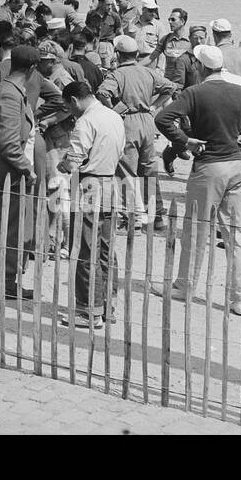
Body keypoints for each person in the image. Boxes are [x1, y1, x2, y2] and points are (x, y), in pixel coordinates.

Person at [154, 45, 241, 314]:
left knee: (196, 230)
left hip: (209, 167)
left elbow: (163, 118)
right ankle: (238, 298)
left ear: (201, 67)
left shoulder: (195, 92)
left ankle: (184, 286)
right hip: (237, 165)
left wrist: (184, 140)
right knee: (236, 235)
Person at [57, 80, 125, 328]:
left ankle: (88, 311)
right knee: (107, 249)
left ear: (74, 101)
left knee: (86, 247)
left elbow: (75, 160)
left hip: (89, 185)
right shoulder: (114, 116)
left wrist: (64, 164)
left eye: (69, 106)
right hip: (110, 182)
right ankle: (108, 306)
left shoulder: (85, 121)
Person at [0, 45, 38, 301]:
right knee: (9, 230)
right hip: (8, 174)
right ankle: (5, 282)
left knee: (0, 227)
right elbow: (10, 143)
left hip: (0, 171)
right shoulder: (10, 94)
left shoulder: (3, 88)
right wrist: (28, 169)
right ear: (32, 68)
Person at [97, 35, 177, 232]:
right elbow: (170, 87)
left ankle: (130, 217)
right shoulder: (147, 72)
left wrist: (114, 110)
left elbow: (102, 93)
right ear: (135, 54)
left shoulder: (117, 74)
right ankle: (156, 215)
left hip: (128, 121)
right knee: (149, 169)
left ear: (118, 54)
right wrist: (154, 106)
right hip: (147, 121)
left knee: (126, 171)